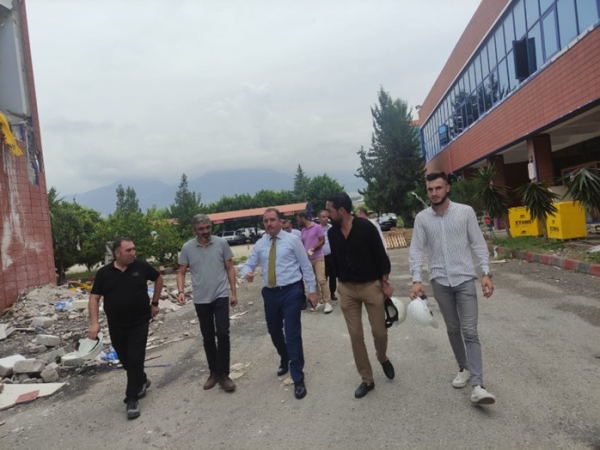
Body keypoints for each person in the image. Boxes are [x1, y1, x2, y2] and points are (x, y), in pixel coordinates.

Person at [409, 171, 496, 405]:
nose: (434, 193)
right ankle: (463, 368)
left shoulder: (465, 212)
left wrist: (486, 273)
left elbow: (478, 244)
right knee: (453, 328)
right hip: (439, 281)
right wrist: (416, 279)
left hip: (464, 279)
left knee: (470, 331)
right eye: (430, 189)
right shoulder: (422, 219)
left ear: (447, 188)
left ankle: (478, 385)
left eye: (438, 188)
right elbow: (416, 250)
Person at [242, 208, 318, 400]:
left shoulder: (293, 240)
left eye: (272, 220)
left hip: (291, 291)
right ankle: (285, 356)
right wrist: (247, 273)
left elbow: (305, 265)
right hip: (270, 294)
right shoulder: (260, 243)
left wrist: (311, 290)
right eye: (266, 221)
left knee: (292, 333)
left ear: (280, 221)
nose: (269, 224)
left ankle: (298, 376)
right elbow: (249, 263)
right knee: (274, 330)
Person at [326, 193, 395, 399]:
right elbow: (334, 260)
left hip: (370, 286)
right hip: (347, 289)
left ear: (341, 211)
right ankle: (367, 379)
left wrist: (385, 282)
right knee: (356, 335)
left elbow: (380, 256)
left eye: (329, 210)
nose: (327, 214)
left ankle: (382, 357)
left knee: (380, 332)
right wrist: (337, 285)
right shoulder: (332, 233)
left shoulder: (366, 228)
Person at [88, 238, 163, 420]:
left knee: (135, 358)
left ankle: (132, 398)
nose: (133, 253)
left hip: (139, 321)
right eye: (128, 250)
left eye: (133, 249)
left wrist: (154, 303)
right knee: (125, 359)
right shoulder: (104, 273)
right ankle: (141, 379)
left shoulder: (141, 267)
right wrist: (94, 323)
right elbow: (94, 298)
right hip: (116, 324)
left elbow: (158, 278)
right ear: (117, 253)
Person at [177, 214, 237, 392]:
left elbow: (230, 268)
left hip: (220, 295)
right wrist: (181, 291)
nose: (206, 231)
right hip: (201, 299)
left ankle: (224, 374)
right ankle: (214, 372)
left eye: (208, 227)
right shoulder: (187, 248)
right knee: (208, 336)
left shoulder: (221, 243)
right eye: (201, 229)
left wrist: (233, 292)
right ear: (194, 230)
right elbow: (181, 272)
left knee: (223, 333)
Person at [297, 212, 333, 314]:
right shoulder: (303, 230)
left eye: (298, 220)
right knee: (313, 281)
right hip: (308, 259)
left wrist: (313, 248)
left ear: (303, 218)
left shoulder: (317, 227)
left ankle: (327, 302)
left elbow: (322, 240)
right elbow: (303, 243)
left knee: (321, 279)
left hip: (318, 257)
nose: (298, 222)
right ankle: (318, 301)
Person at [318, 210, 337, 301]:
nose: (326, 218)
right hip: (321, 256)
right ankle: (324, 294)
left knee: (333, 275)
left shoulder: (331, 227)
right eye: (323, 217)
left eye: (327, 217)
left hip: (331, 255)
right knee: (323, 276)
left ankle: (332, 292)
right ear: (319, 218)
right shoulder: (317, 229)